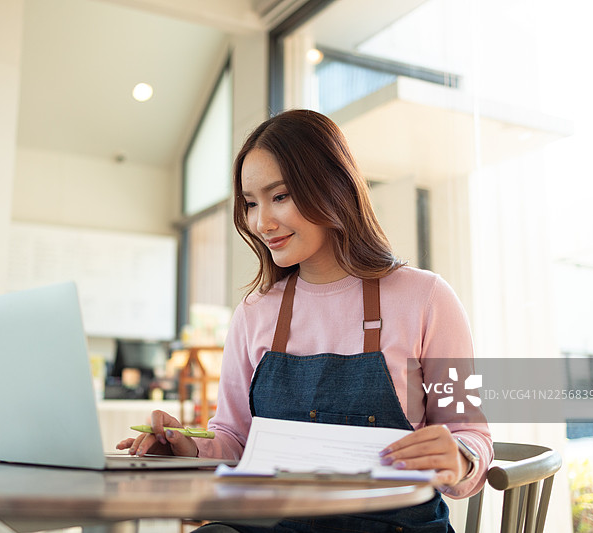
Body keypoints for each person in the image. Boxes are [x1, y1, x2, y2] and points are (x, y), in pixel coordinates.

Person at [117, 109, 492, 532]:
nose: (262, 222)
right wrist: (186, 447)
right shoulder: (254, 313)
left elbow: (471, 433)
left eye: (280, 196)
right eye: (251, 203)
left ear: (334, 186)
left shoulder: (427, 298)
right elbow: (235, 442)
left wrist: (460, 457)